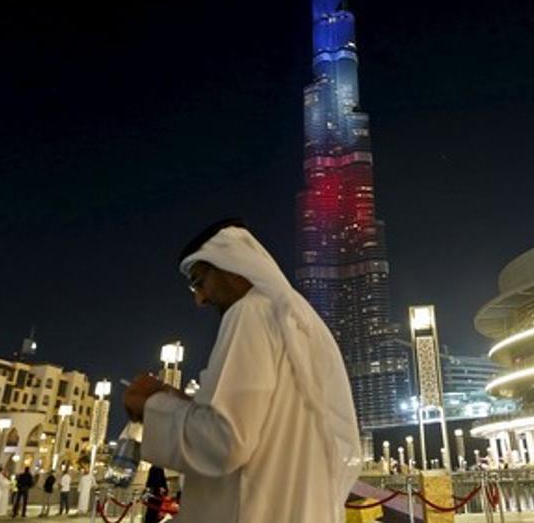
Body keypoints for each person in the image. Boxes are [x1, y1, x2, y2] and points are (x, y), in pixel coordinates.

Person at [124, 220, 361, 523]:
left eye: (199, 282)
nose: (200, 299)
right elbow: (260, 428)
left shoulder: (250, 313)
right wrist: (174, 399)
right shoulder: (293, 321)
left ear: (231, 266)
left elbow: (225, 441)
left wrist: (149, 403)